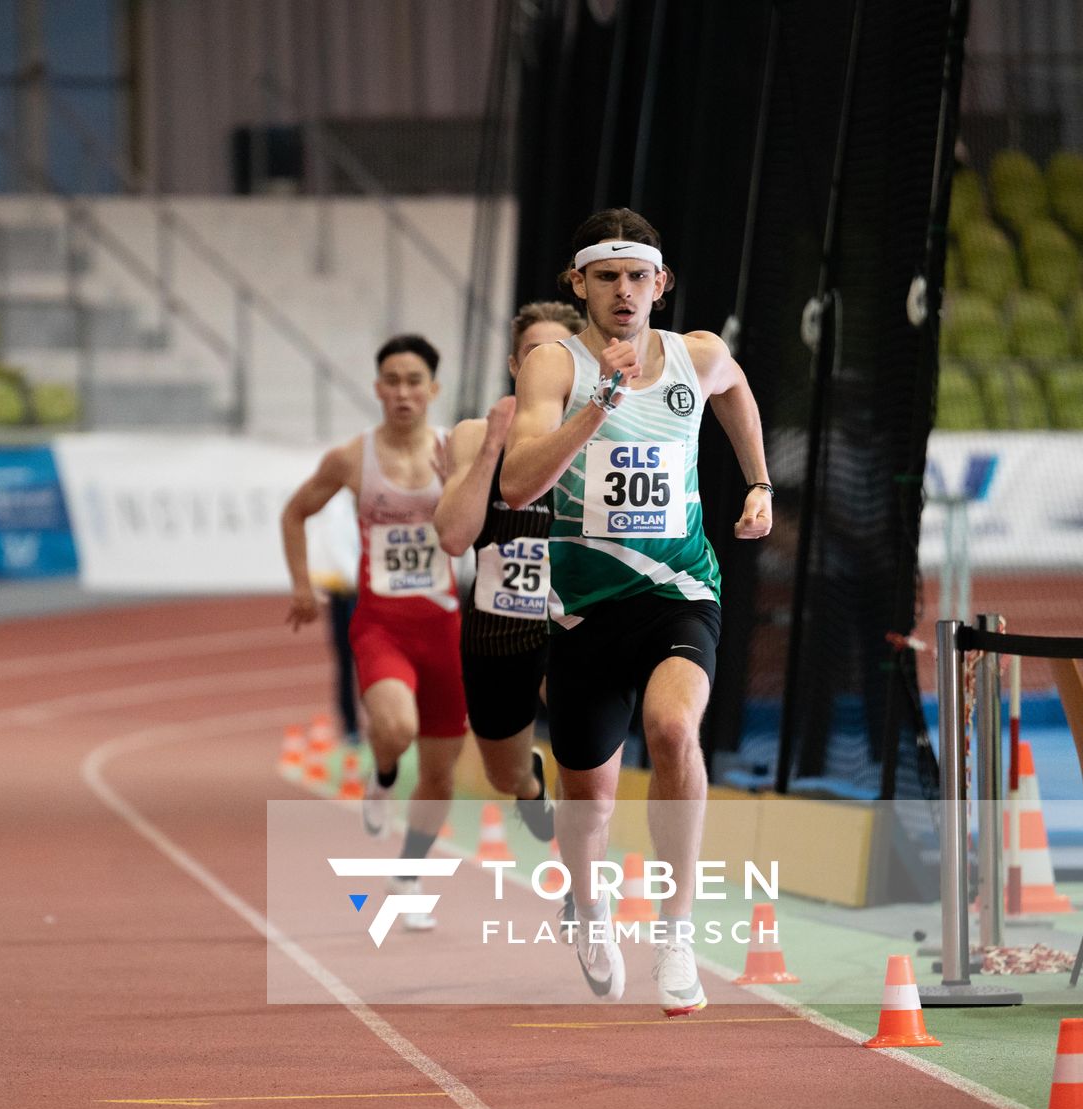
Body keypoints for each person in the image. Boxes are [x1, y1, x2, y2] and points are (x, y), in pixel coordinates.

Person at [502, 209, 773, 1014]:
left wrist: (758, 481)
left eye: (638, 277)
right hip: (584, 609)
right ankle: (589, 908)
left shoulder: (697, 355)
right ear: (578, 284)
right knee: (591, 797)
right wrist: (599, 404)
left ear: (661, 284)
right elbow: (518, 485)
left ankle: (677, 931)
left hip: (681, 591)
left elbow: (737, 391)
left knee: (672, 730)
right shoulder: (554, 365)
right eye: (607, 277)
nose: (624, 291)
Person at [282, 334, 464, 931]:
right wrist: (303, 586)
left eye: (415, 380)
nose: (403, 391)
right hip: (381, 625)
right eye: (392, 380)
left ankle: (409, 872)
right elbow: (295, 511)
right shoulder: (351, 457)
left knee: (439, 773)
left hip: (445, 629)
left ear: (433, 389)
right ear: (378, 387)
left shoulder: (455, 453)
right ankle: (383, 773)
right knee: (397, 727)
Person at [434, 301, 587, 844]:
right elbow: (453, 537)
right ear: (515, 367)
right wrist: (494, 450)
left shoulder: (600, 432)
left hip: (572, 622)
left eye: (559, 354)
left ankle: (581, 867)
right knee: (504, 773)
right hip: (497, 626)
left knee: (584, 746)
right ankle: (527, 784)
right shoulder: (476, 435)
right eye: (533, 354)